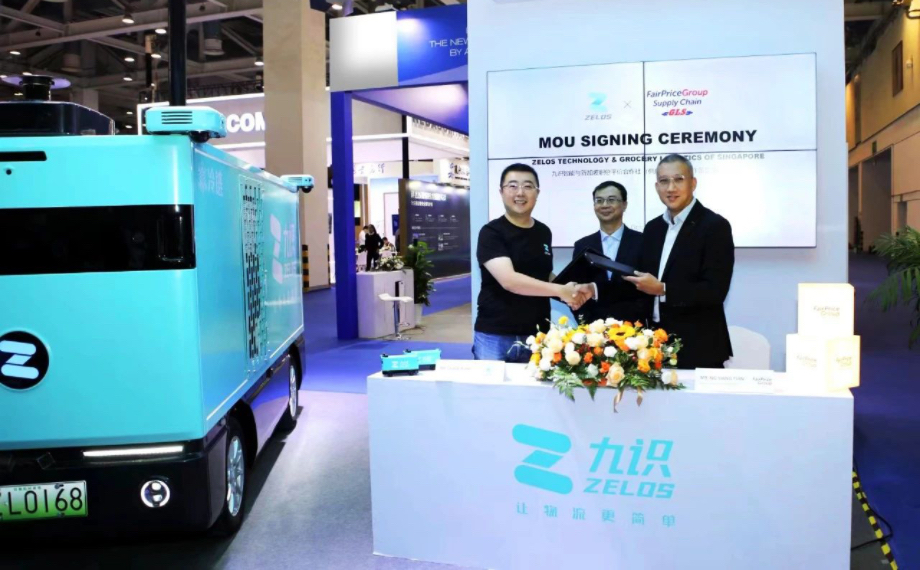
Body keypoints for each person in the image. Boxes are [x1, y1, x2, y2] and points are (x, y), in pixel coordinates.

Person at [624, 154, 735, 369]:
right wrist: (592, 289)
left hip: (699, 347)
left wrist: (663, 289)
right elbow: (640, 281)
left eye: (678, 179)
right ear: (656, 187)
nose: (671, 188)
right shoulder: (653, 228)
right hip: (653, 347)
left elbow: (715, 290)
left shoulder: (714, 226)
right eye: (664, 181)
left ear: (693, 183)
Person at [474, 163, 593, 362]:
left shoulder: (543, 231)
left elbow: (544, 274)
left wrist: (571, 291)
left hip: (538, 334)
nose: (520, 192)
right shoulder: (491, 233)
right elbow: (509, 281)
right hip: (495, 335)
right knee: (492, 384)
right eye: (513, 186)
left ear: (537, 193)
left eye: (528, 186)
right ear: (501, 192)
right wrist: (560, 291)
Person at [571, 180, 643, 324]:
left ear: (624, 205)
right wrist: (588, 327)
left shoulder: (643, 241)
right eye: (599, 200)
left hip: (635, 329)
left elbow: (646, 289)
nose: (604, 205)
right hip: (593, 331)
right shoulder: (582, 245)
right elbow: (576, 291)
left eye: (611, 200)